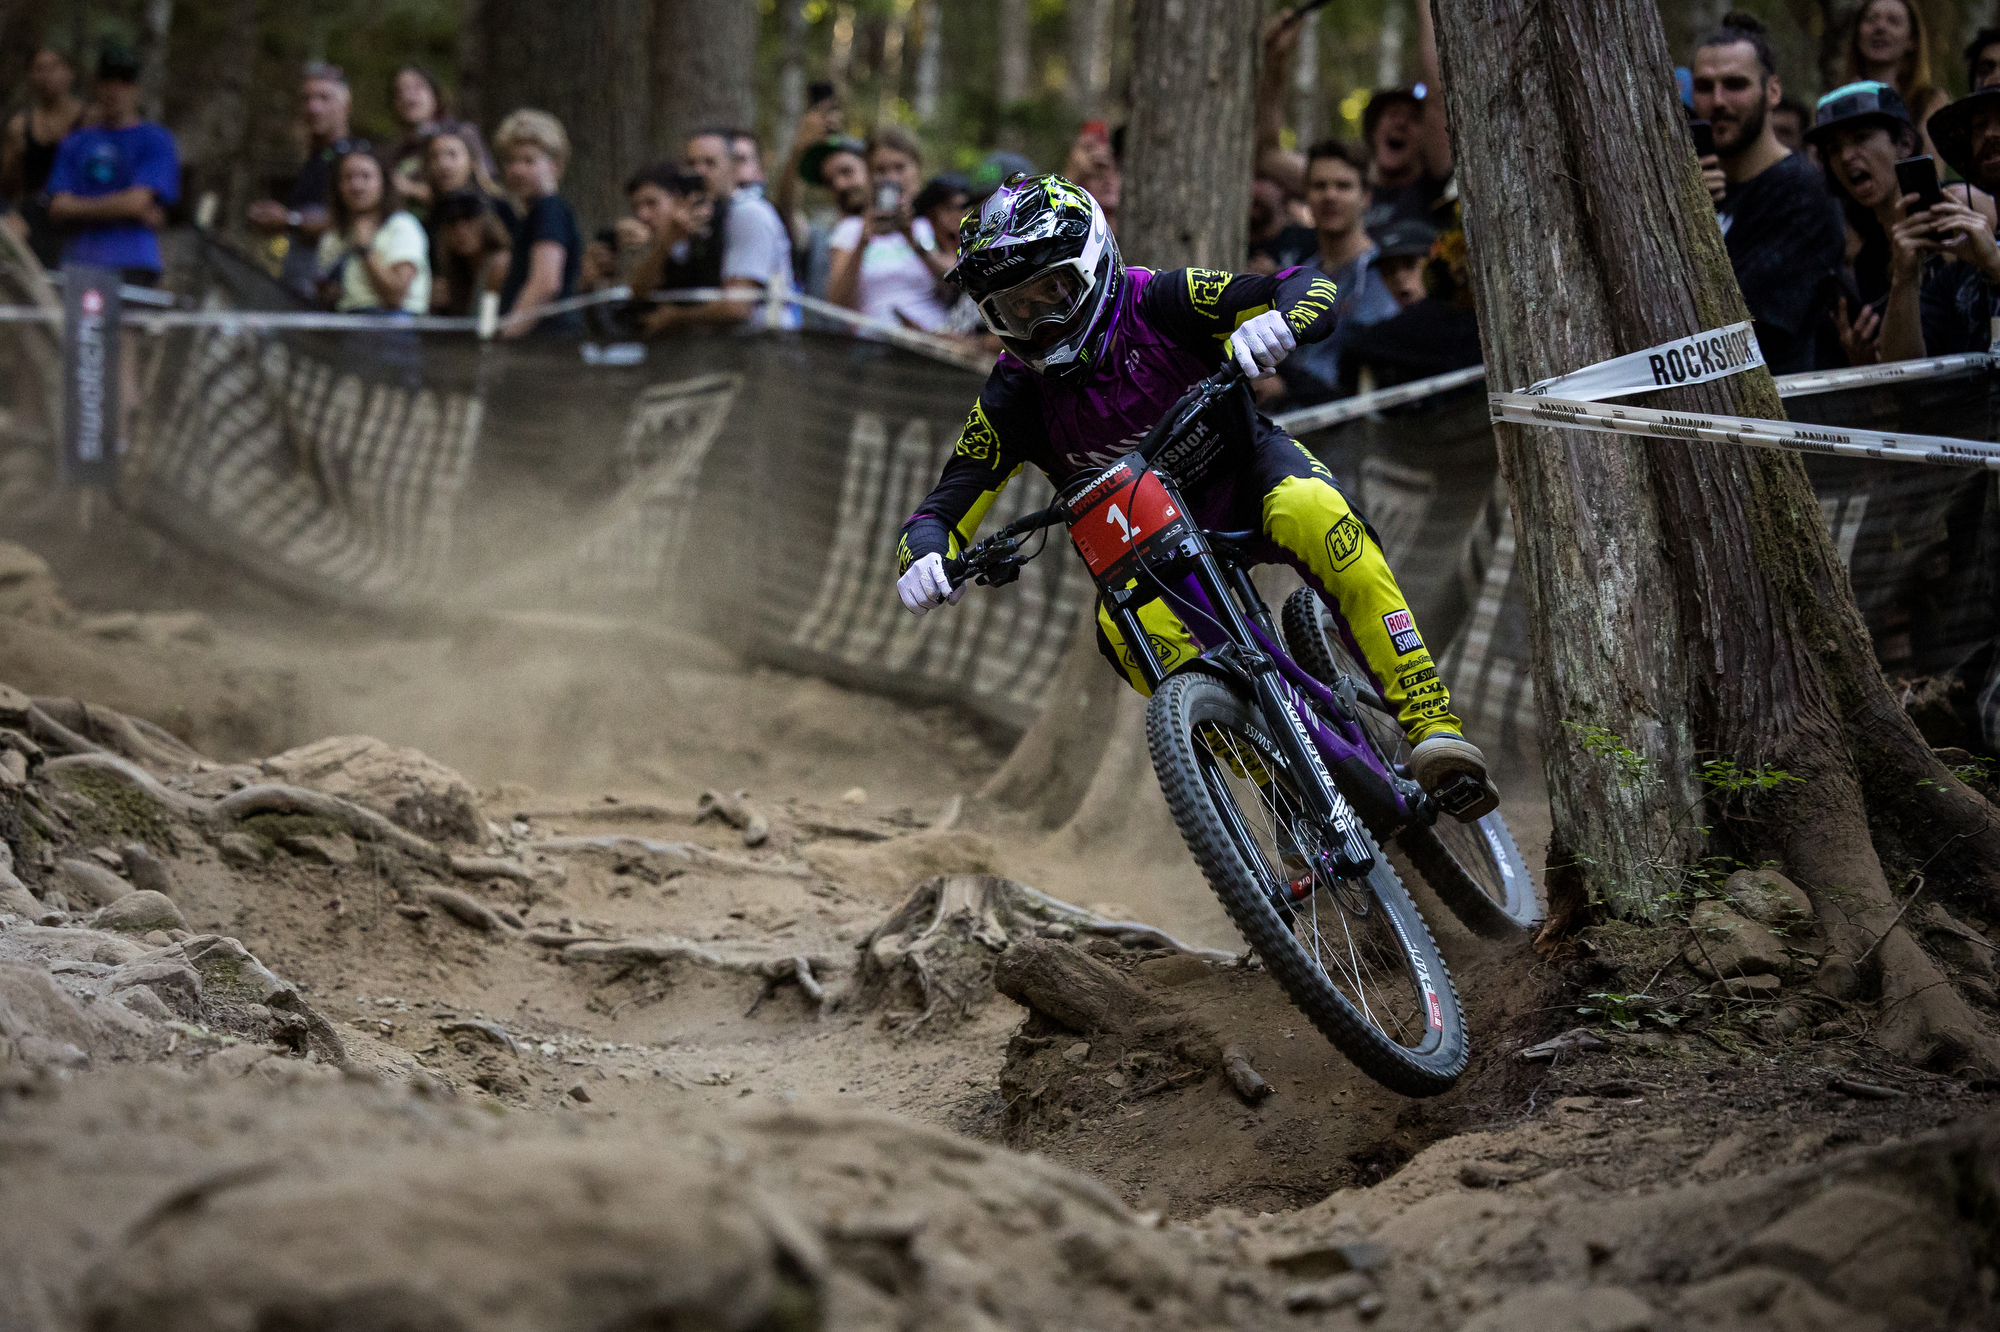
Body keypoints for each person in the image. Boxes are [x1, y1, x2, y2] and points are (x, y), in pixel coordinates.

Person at [893, 174, 1499, 816]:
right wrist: (924, 557)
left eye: (1054, 293)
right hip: (1148, 554)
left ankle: (1434, 728)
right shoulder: (1014, 393)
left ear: (1094, 264)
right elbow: (943, 506)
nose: (1040, 323)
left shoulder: (1157, 299)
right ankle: (1291, 802)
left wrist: (1281, 324)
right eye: (1016, 310)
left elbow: (1304, 284)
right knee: (1129, 634)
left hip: (1248, 478)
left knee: (1315, 514)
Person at [1691, 13, 1845, 374]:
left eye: (1735, 84)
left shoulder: (1799, 194)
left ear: (1772, 91)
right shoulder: (1701, 188)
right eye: (1703, 87)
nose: (1717, 101)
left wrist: (1690, 224)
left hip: (1773, 411)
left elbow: (1736, 325)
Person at [43, 46, 179, 450]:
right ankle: (78, 446)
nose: (114, 91)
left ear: (135, 88)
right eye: (107, 81)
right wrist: (120, 206)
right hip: (80, 262)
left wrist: (82, 208)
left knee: (120, 348)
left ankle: (119, 447)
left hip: (132, 262)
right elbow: (56, 206)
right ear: (98, 85)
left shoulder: (154, 139)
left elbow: (142, 201)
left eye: (124, 82)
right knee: (79, 354)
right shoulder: (77, 143)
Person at [1271, 140, 1402, 408]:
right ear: (1306, 195)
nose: (1330, 195)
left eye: (1343, 186)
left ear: (1366, 197)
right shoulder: (1295, 278)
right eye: (1319, 186)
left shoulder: (1385, 273)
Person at [635, 128, 794, 336]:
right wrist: (668, 241)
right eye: (692, 164)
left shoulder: (748, 213)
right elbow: (638, 291)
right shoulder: (687, 220)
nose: (700, 172)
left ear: (731, 167)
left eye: (710, 163)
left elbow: (737, 307)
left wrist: (675, 316)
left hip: (760, 346)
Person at [1881, 86, 2000, 360]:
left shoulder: (1985, 256)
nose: (1991, 134)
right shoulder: (1959, 273)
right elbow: (1902, 378)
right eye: (1980, 125)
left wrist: (1995, 261)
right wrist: (1905, 277)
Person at [1805, 82, 1919, 366]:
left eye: (1861, 137)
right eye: (1834, 148)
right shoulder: (1870, 262)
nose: (1846, 157)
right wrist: (1866, 365)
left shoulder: (1959, 210)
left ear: (1904, 142)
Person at [826, 125, 956, 331]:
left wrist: (913, 240)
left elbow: (957, 286)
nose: (891, 178)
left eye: (899, 167)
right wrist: (862, 241)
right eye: (880, 170)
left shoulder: (933, 224)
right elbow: (836, 303)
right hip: (872, 347)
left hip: (932, 341)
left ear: (917, 171)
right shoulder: (850, 230)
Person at [246, 63, 360, 299]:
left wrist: (289, 220)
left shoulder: (356, 159)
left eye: (324, 98)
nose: (314, 107)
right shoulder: (315, 160)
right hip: (296, 290)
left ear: (345, 106)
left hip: (332, 296)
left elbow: (351, 218)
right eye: (306, 99)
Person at [1360, 0, 1451, 234]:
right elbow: (1268, 155)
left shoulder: (1434, 189)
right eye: (1392, 114)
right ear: (1373, 130)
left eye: (1413, 118)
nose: (1401, 123)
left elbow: (1436, 97)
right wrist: (1275, 62)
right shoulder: (1345, 187)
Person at [493, 109, 582, 338]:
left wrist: (507, 336)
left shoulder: (549, 210)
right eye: (511, 161)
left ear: (555, 165)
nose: (517, 170)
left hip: (546, 346)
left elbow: (546, 282)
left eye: (529, 160)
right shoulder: (532, 215)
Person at [314, 147, 429, 314]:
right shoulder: (333, 237)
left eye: (366, 176)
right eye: (348, 177)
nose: (356, 186)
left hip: (395, 328)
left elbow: (396, 297)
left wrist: (366, 250)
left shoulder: (402, 226)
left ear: (384, 182)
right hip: (345, 324)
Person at [1, 47, 84, 268]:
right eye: (39, 69)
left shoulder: (90, 121)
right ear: (30, 76)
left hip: (79, 219)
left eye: (54, 67)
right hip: (32, 220)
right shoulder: (20, 126)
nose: (47, 75)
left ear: (70, 72)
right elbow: (7, 187)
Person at [1844, 0, 1946, 153]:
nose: (1880, 27)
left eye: (1893, 21)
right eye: (1871, 19)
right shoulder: (1834, 103)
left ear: (1912, 40)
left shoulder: (1928, 102)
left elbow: (1932, 172)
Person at [386, 65, 492, 211]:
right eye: (400, 91)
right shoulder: (393, 151)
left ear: (435, 94)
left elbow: (486, 186)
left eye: (417, 88)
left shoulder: (461, 134)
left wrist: (411, 189)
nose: (408, 97)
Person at [791, 132, 868, 298]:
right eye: (829, 181)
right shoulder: (820, 235)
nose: (839, 185)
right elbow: (786, 214)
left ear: (870, 167)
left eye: (846, 172)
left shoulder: (913, 226)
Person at [428, 188, 509, 316]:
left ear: (487, 223)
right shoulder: (454, 274)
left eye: (468, 219)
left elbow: (487, 330)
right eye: (452, 223)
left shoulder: (499, 264)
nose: (461, 231)